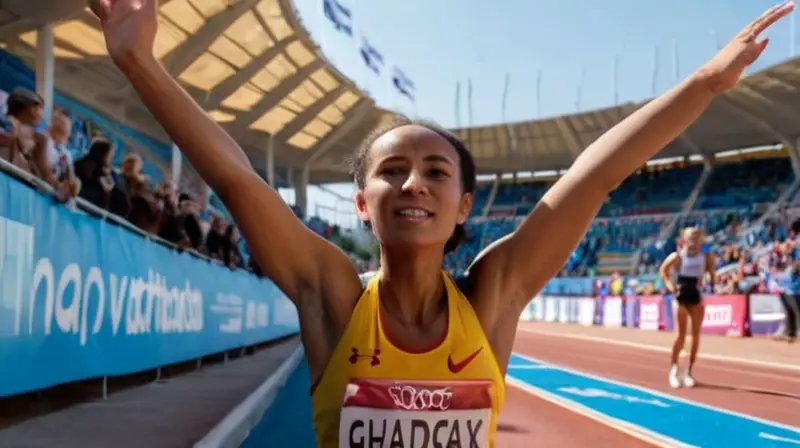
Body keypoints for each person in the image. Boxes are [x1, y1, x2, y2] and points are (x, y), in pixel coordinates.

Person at [89, 0, 793, 445]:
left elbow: (592, 178)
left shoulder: (493, 297)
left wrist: (704, 84)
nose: (413, 182)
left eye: (435, 170)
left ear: (463, 208)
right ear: (362, 204)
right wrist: (139, 62)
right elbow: (238, 180)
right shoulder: (333, 295)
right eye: (391, 171)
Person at [659, 227, 716, 388]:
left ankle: (689, 372)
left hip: (696, 294)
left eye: (698, 238)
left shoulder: (705, 256)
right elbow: (663, 271)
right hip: (680, 294)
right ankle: (674, 370)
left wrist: (711, 281)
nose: (694, 241)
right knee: (681, 335)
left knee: (696, 336)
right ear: (684, 239)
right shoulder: (677, 256)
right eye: (691, 238)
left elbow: (711, 272)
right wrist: (670, 286)